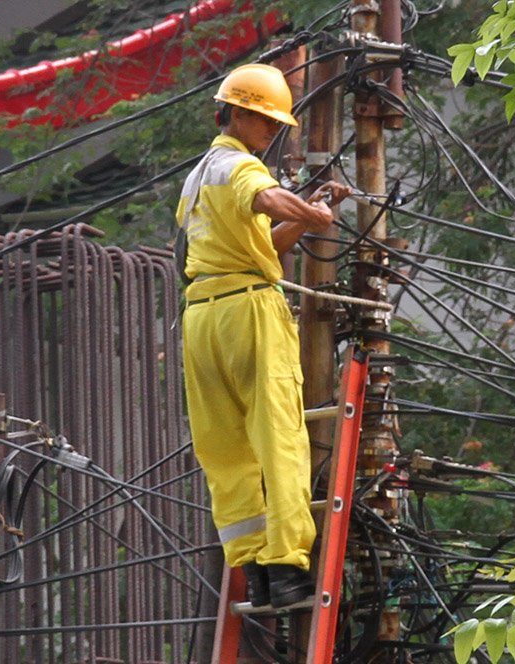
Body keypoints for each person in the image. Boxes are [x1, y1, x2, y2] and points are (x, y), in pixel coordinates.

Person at [175, 63, 351, 608]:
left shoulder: (197, 177)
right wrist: (312, 213)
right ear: (241, 114)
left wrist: (312, 211)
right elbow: (269, 199)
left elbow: (265, 243)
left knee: (224, 448)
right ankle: (288, 566)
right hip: (248, 312)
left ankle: (253, 568)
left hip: (202, 318)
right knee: (279, 435)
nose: (273, 134)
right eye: (268, 124)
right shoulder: (239, 165)